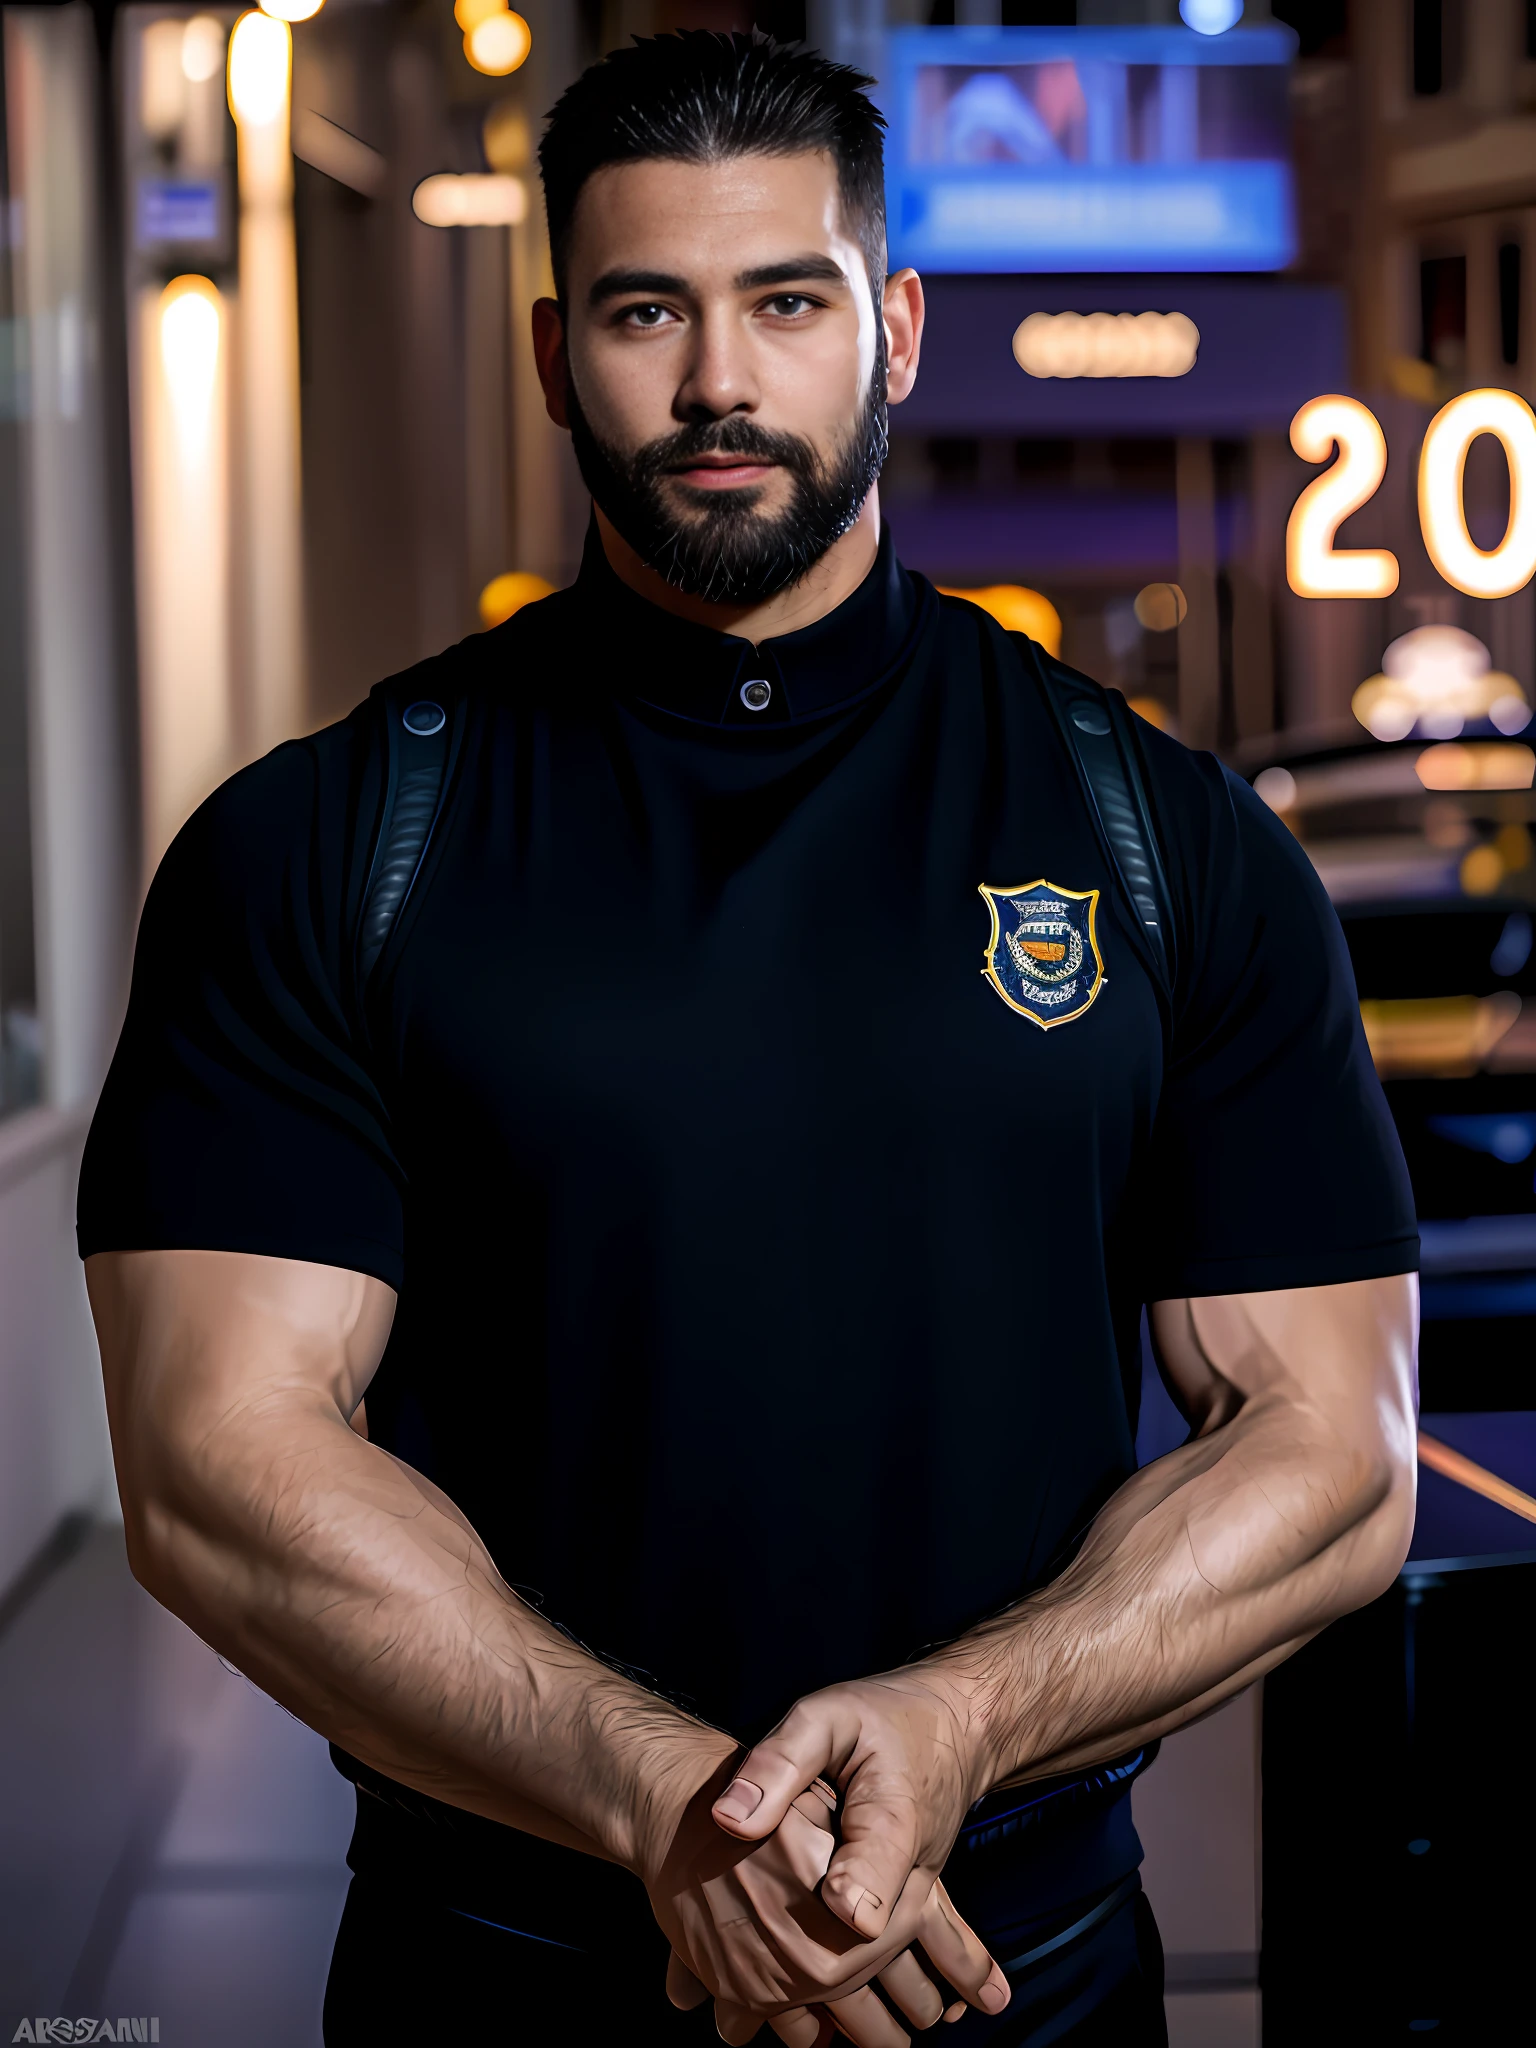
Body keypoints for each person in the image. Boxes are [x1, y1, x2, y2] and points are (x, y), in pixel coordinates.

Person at [79, 31, 1420, 2048]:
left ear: (890, 332)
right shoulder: (326, 847)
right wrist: (653, 1796)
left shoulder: (1165, 843)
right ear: (555, 353)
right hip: (504, 1988)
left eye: (785, 302)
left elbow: (1336, 1454)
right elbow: (213, 1464)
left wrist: (960, 1724)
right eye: (647, 310)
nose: (720, 380)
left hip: (1024, 1982)